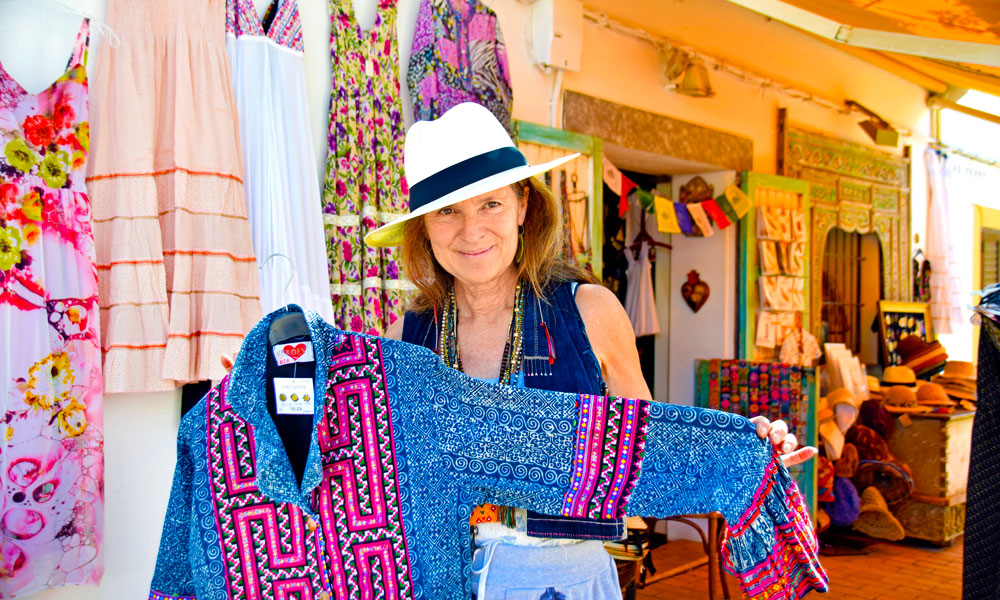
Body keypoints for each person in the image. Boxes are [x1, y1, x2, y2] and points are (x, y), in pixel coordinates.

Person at [363, 102, 815, 598]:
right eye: (447, 211)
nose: (471, 231)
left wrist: (738, 448)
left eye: (490, 203)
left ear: (522, 207)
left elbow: (648, 448)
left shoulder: (589, 314)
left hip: (563, 583)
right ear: (424, 228)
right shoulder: (403, 339)